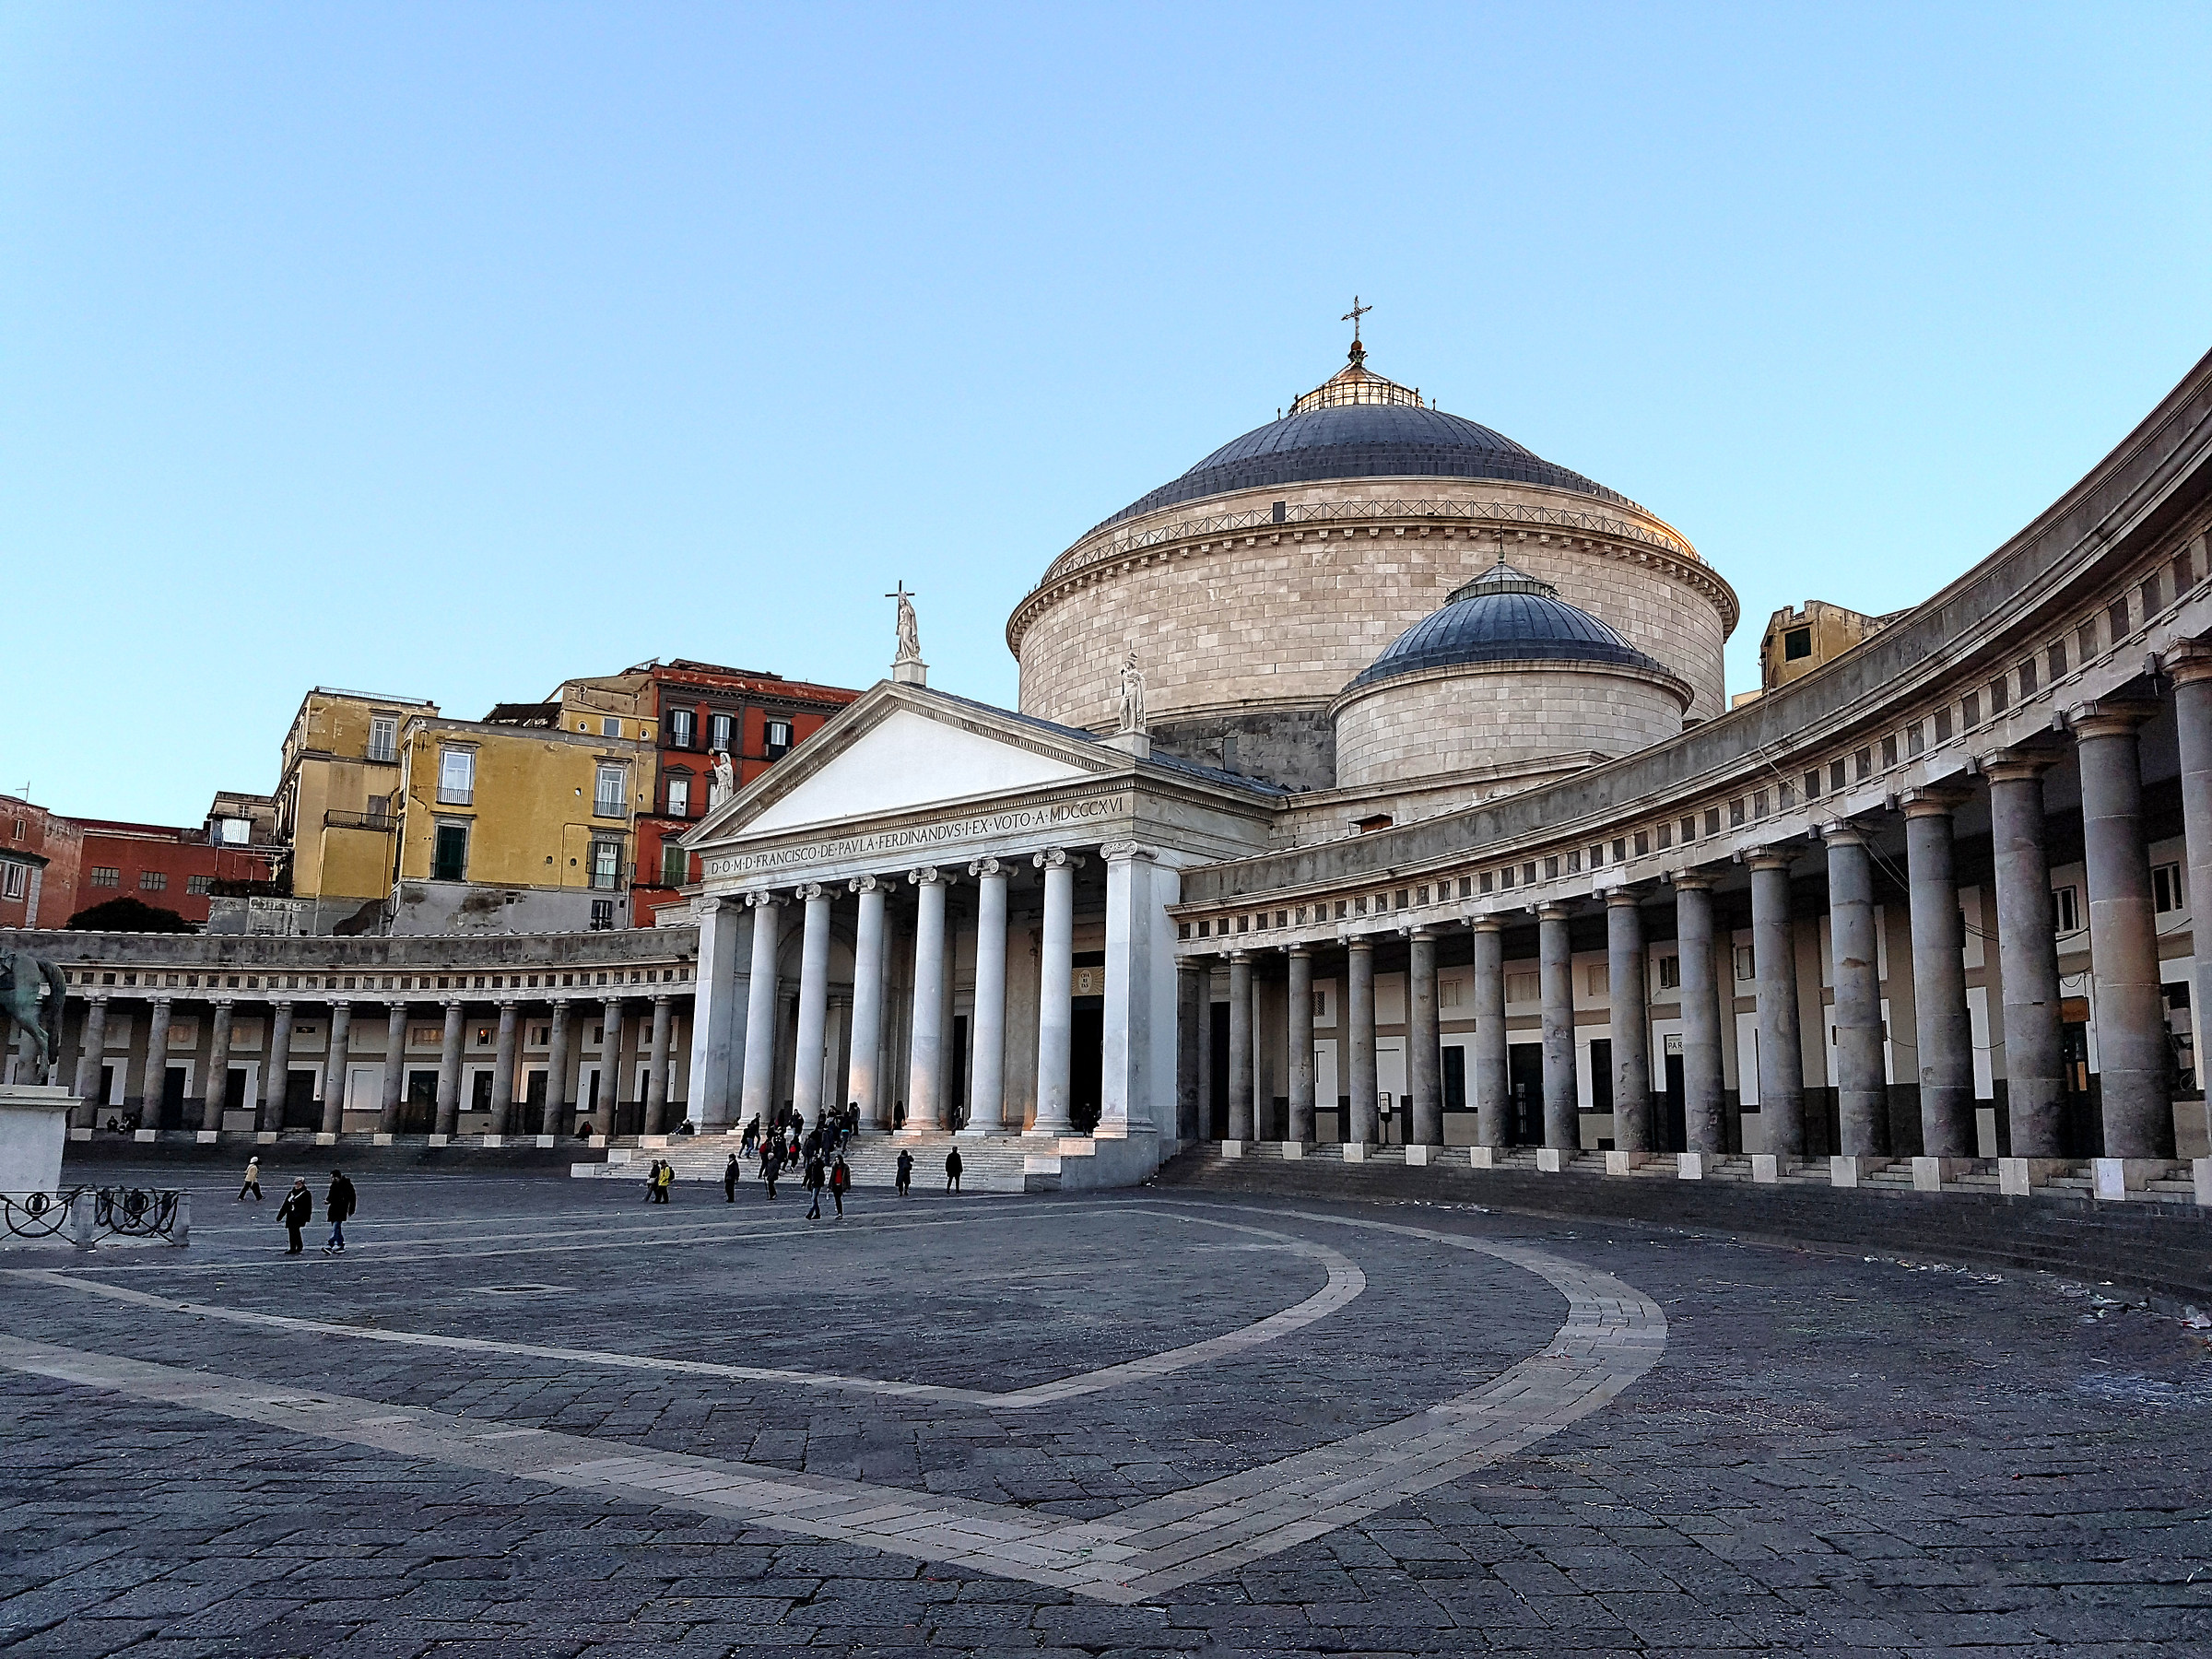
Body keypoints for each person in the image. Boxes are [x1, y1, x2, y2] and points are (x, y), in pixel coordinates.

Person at [323, 1169, 356, 1254]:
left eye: (332, 1177)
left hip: (341, 1209)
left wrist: (351, 1209)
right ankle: (340, 1244)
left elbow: (352, 1198)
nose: (331, 1179)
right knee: (337, 1228)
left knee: (335, 1227)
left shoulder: (347, 1186)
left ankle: (330, 1244)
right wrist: (328, 1201)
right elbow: (331, 1196)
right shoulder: (334, 1186)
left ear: (336, 1177)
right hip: (333, 1209)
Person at [278, 1178, 312, 1254]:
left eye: (299, 1184)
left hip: (300, 1216)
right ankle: (294, 1247)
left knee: (295, 1230)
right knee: (292, 1231)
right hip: (291, 1216)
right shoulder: (291, 1193)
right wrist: (280, 1216)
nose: (297, 1185)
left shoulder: (306, 1193)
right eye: (296, 1183)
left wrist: (307, 1217)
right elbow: (285, 1205)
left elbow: (308, 1206)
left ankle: (298, 1246)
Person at [803, 1152, 826, 1220]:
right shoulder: (810, 1166)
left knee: (813, 1198)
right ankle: (817, 1214)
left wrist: (819, 1158)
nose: (813, 1160)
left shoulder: (819, 1166)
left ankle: (810, 1213)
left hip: (817, 1184)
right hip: (811, 1184)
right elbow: (807, 1175)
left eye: (815, 1159)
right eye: (813, 1159)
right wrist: (804, 1183)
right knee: (814, 1199)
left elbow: (822, 1165)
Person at [829, 1153, 849, 1219]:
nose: (837, 1161)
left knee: (838, 1199)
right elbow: (832, 1176)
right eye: (836, 1160)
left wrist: (848, 1186)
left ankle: (840, 1212)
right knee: (837, 1199)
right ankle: (839, 1212)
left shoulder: (845, 1167)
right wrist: (829, 1186)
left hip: (841, 1185)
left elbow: (847, 1177)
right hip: (835, 1185)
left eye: (838, 1159)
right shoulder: (834, 1167)